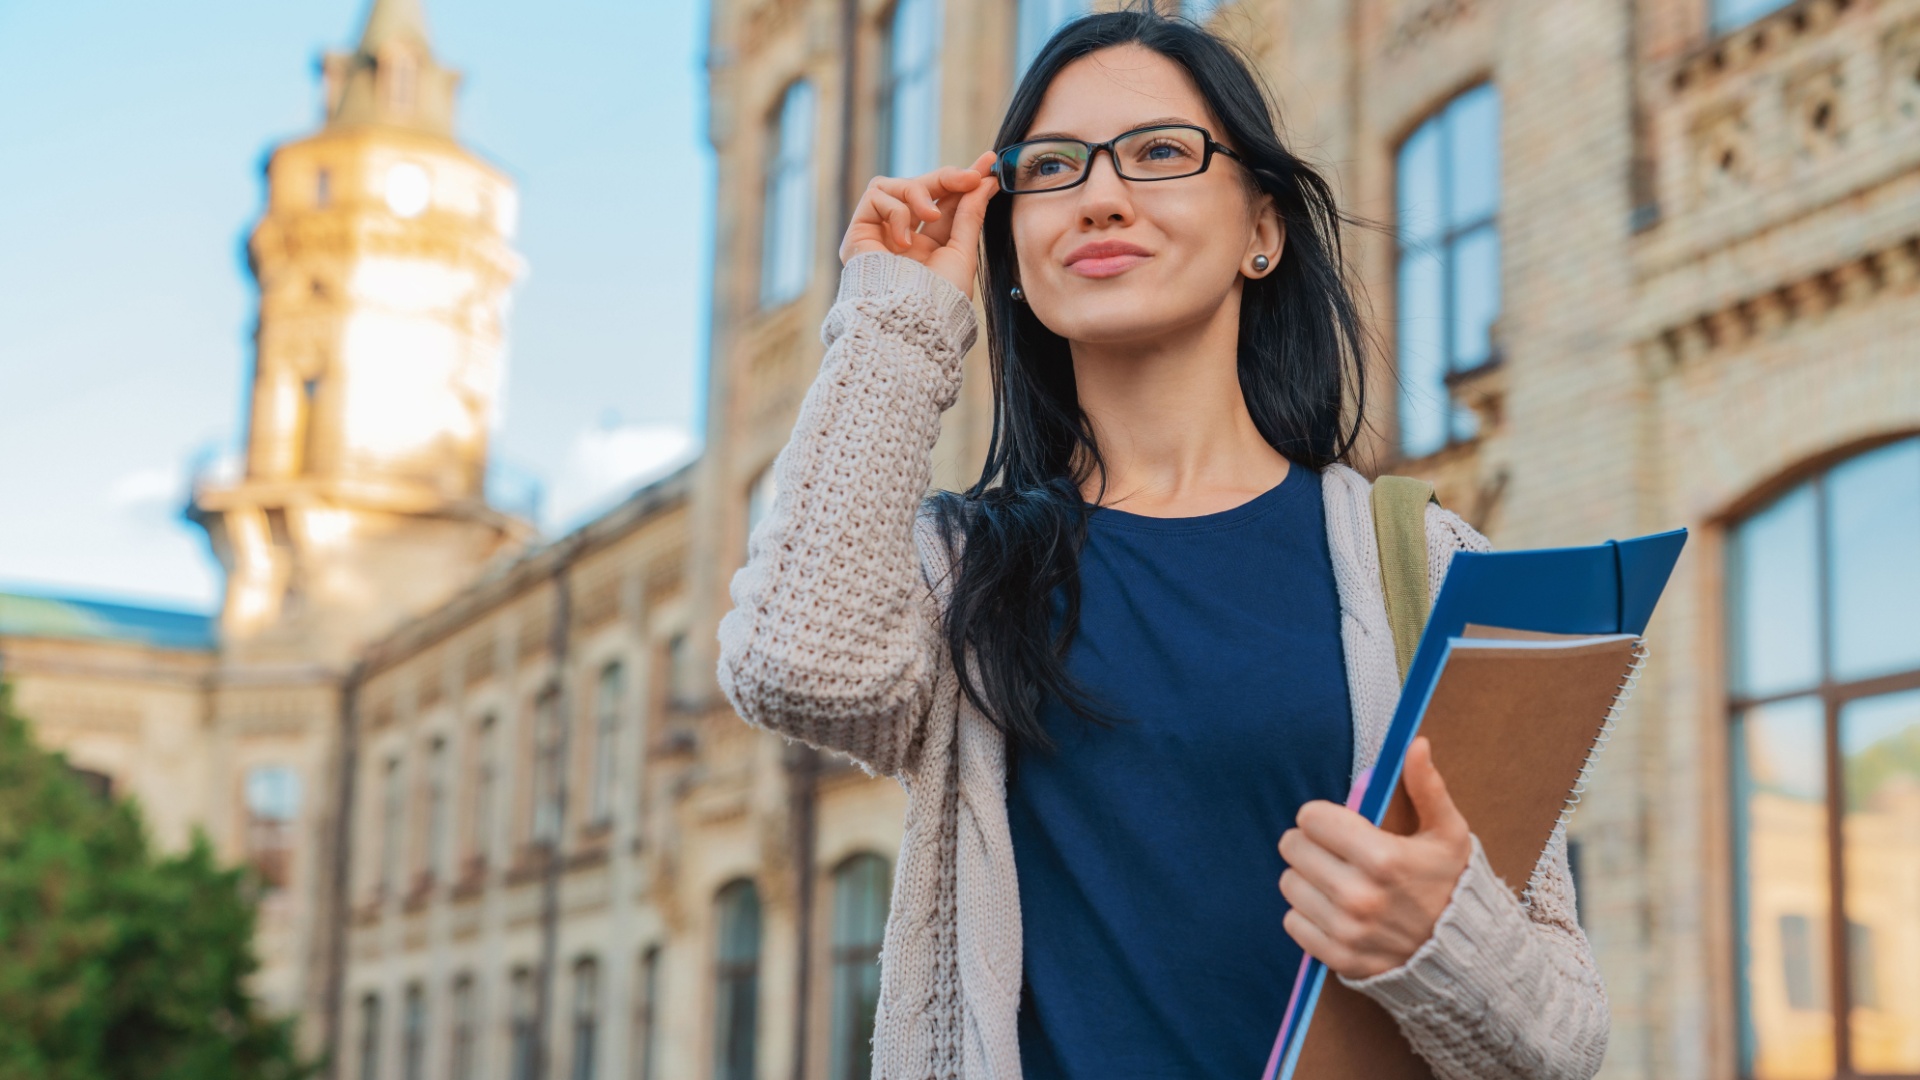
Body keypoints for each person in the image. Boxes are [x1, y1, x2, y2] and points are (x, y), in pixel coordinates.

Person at [719, 9, 1606, 1080]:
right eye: (1051, 168)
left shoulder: (1421, 562)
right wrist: (899, 316)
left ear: (1261, 229)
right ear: (1012, 252)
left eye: (1159, 154)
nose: (1100, 195)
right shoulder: (966, 570)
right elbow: (792, 663)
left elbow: (1566, 1038)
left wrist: (1440, 938)